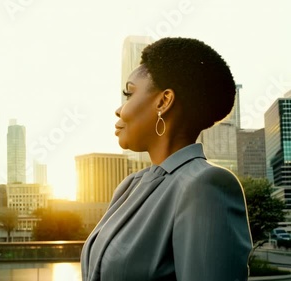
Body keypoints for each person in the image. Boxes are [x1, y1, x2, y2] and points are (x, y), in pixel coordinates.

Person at [80, 37, 253, 281]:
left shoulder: (206, 186)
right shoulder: (129, 186)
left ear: (164, 101)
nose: (119, 110)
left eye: (129, 94)